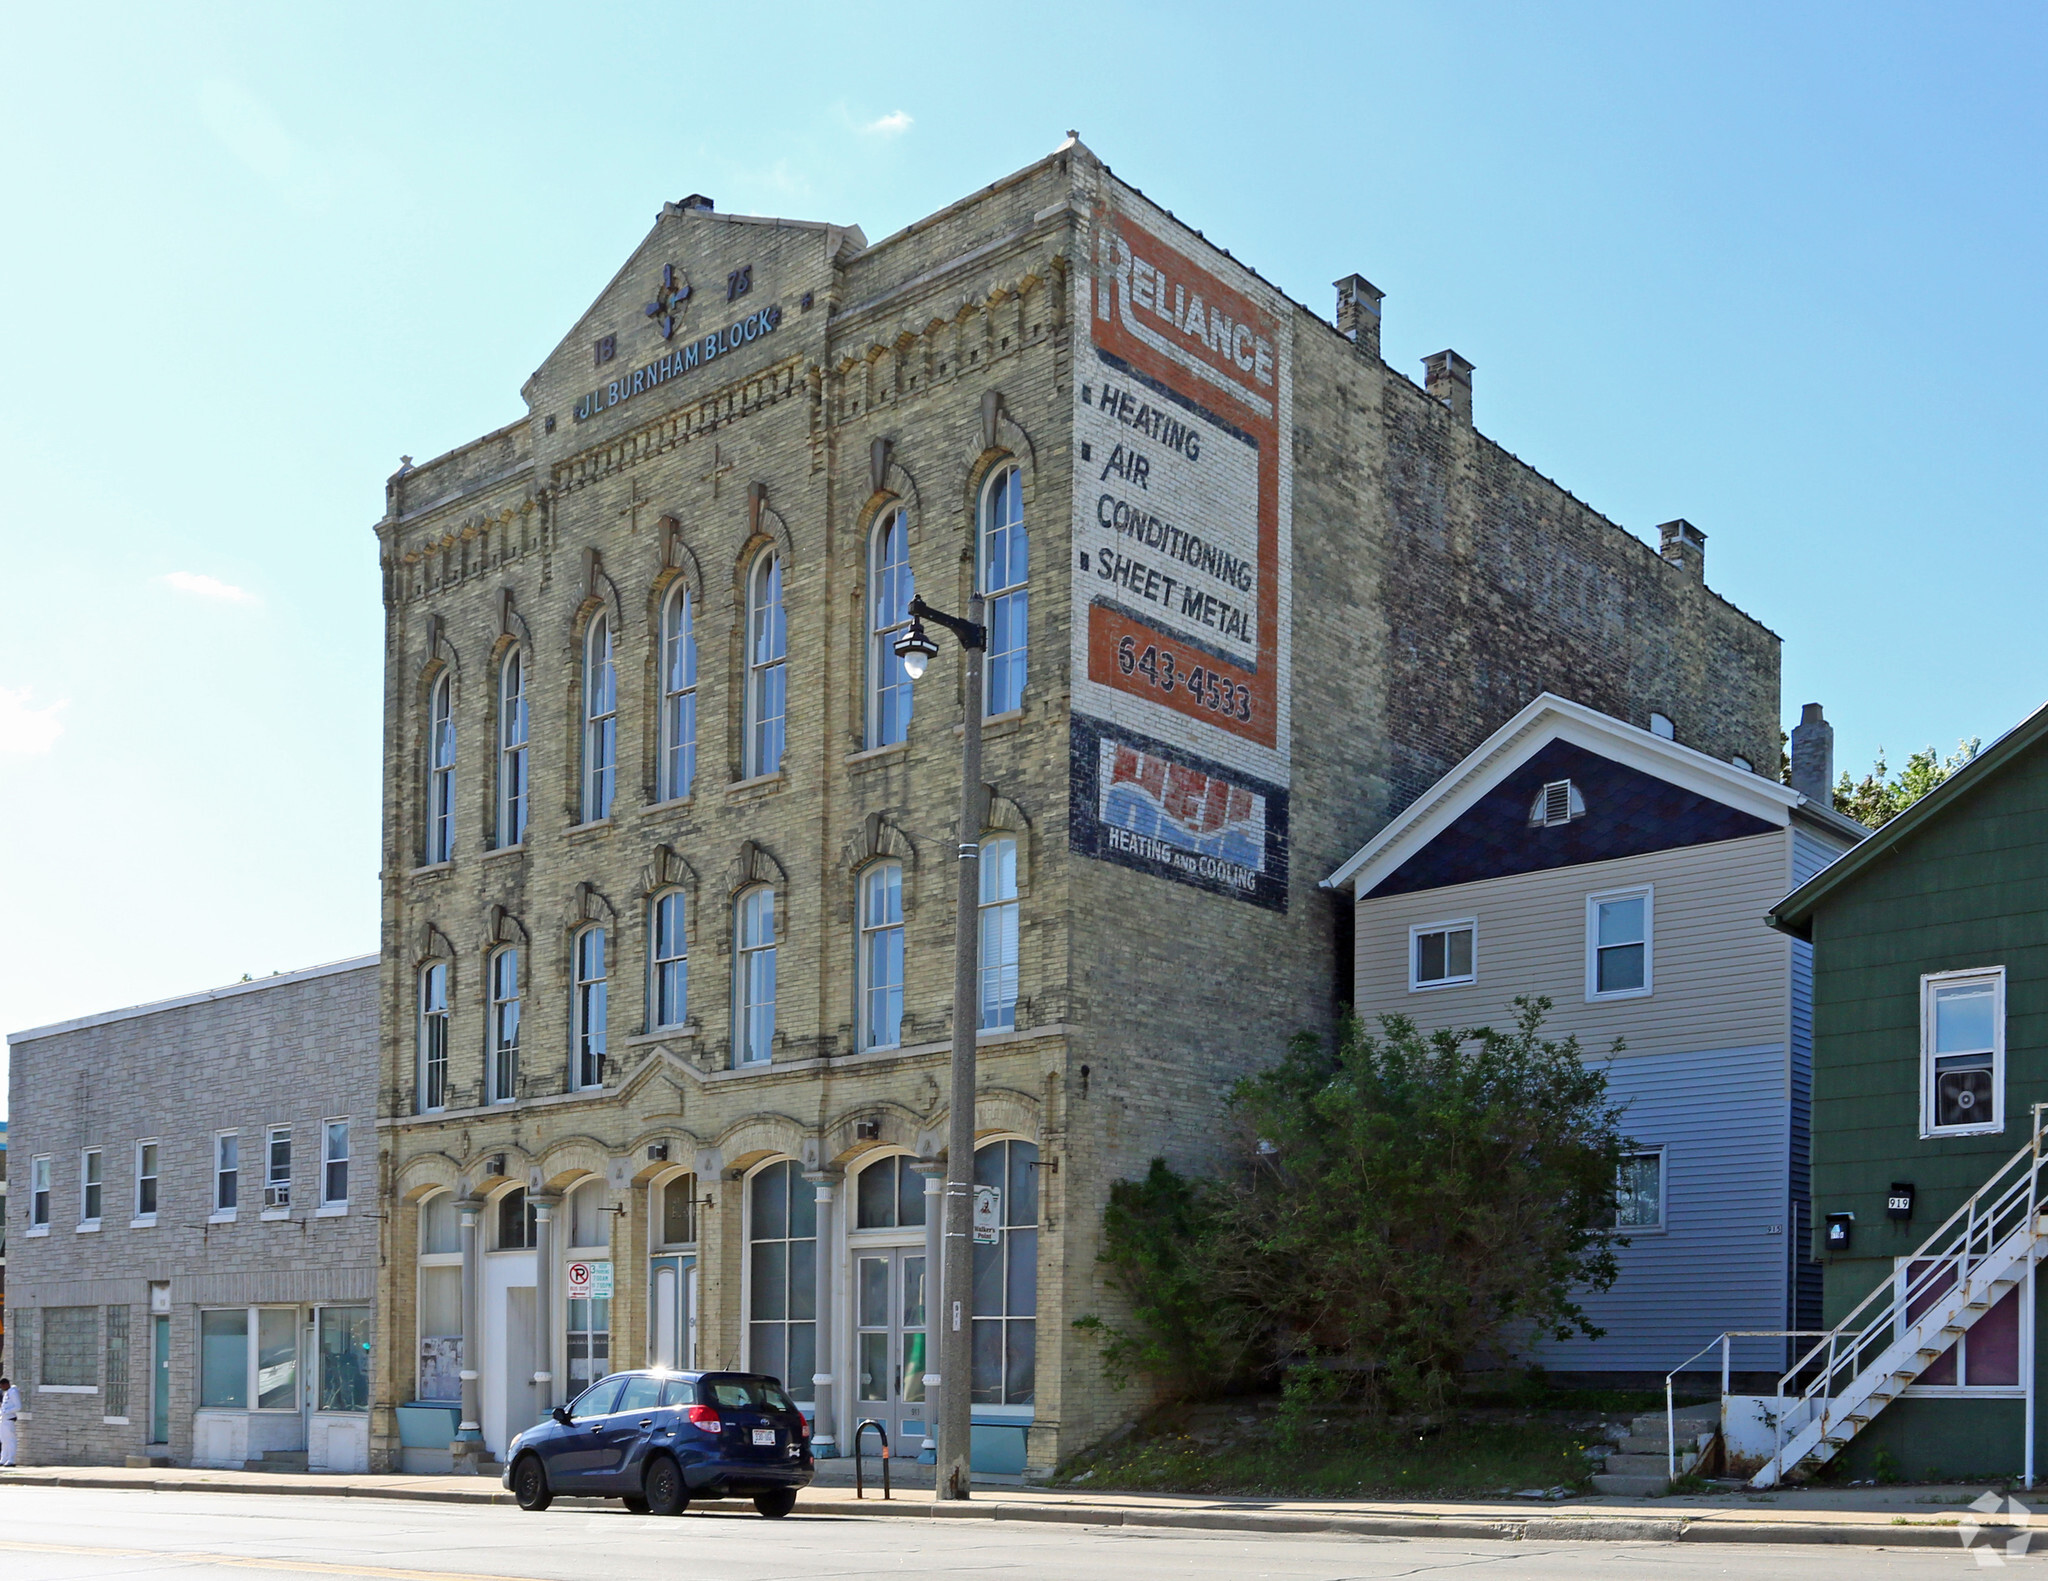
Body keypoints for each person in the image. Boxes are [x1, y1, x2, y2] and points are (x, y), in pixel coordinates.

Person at [0, 1374, 20, 1467]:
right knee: (4, 1440)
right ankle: (4, 1458)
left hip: (9, 1419)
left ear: (6, 1384)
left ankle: (11, 1459)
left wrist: (6, 1411)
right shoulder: (7, 1393)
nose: (1, 1388)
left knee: (10, 1440)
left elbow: (18, 1407)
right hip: (3, 1419)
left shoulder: (13, 1392)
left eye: (2, 1385)